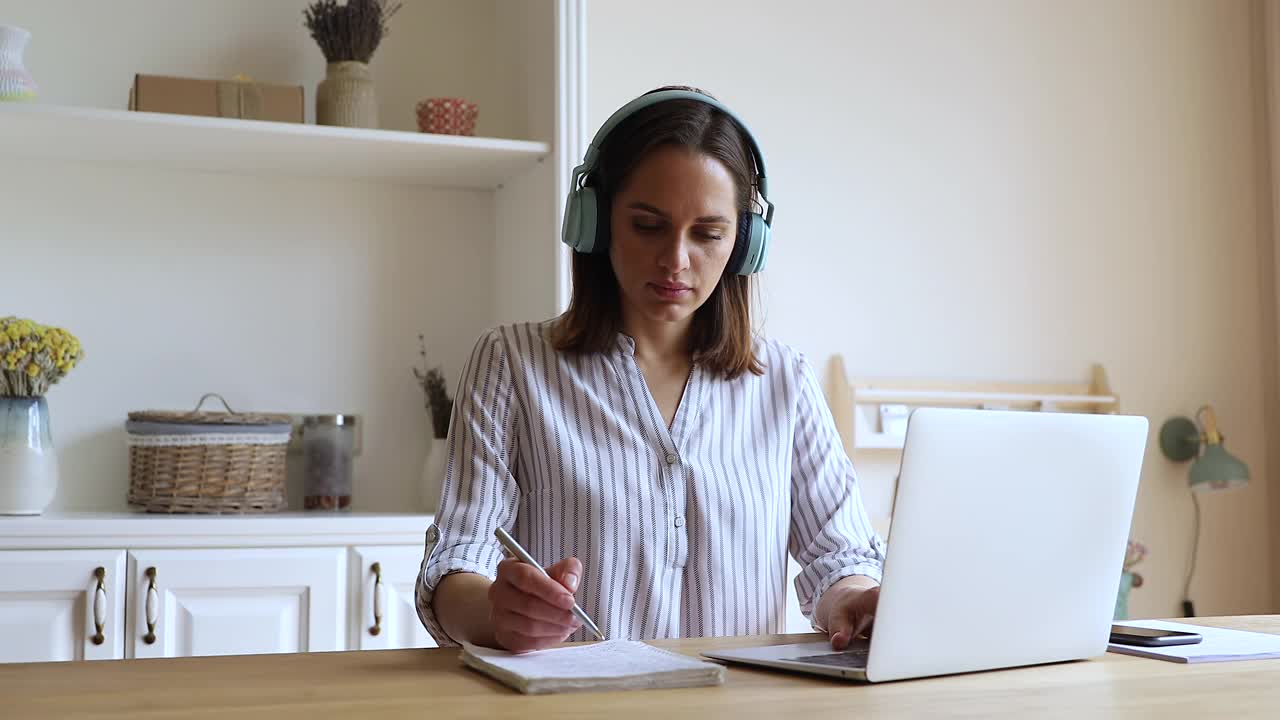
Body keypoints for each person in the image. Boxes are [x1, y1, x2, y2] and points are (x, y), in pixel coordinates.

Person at [416, 86, 885, 653]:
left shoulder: (785, 380)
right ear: (595, 222)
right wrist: (495, 614)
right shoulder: (511, 365)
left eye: (709, 234)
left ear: (744, 244)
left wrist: (853, 601)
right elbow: (456, 561)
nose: (676, 261)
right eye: (647, 226)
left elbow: (841, 556)